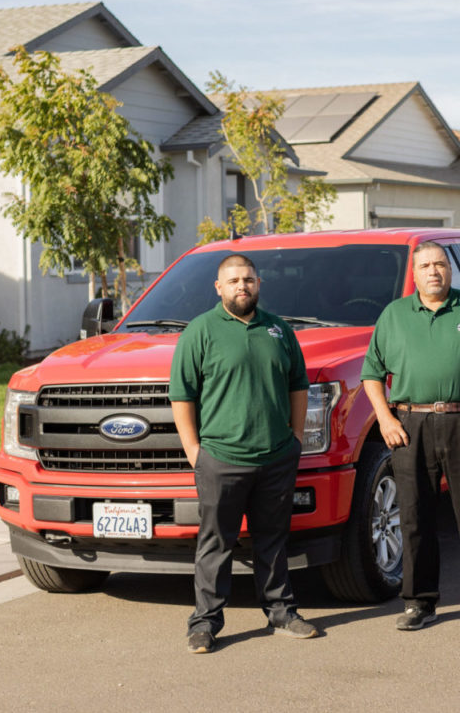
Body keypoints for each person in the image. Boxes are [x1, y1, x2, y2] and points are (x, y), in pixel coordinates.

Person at [360, 241, 460, 631]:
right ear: (413, 275)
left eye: (440, 264)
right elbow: (371, 374)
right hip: (409, 427)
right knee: (415, 516)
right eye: (426, 266)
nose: (434, 271)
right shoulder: (394, 315)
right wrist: (385, 419)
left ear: (450, 270)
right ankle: (419, 603)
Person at [170, 253, 319, 654]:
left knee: (272, 539)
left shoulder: (278, 330)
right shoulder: (200, 332)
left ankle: (283, 613)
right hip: (221, 457)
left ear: (259, 284)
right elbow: (182, 395)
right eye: (233, 280)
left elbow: (298, 385)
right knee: (216, 543)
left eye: (249, 279)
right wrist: (194, 451)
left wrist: (296, 438)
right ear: (218, 288)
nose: (242, 286)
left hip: (275, 456)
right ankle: (204, 623)